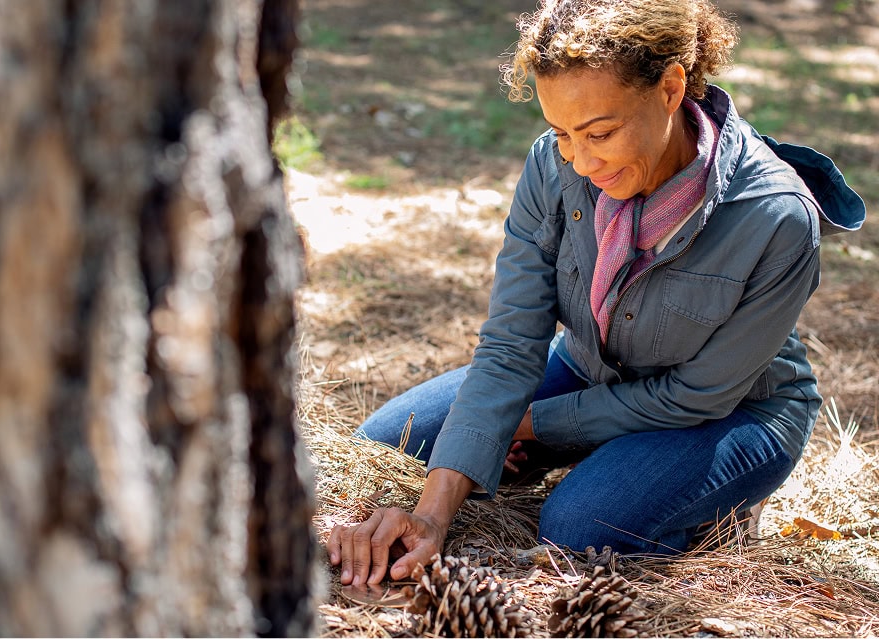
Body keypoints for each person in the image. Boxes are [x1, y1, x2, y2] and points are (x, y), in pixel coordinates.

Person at [327, 0, 866, 587]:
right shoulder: (551, 167)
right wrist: (431, 517)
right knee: (390, 444)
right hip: (595, 369)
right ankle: (613, 462)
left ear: (670, 88)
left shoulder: (776, 216)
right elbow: (511, 343)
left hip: (734, 412)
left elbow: (696, 396)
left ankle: (712, 507)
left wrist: (529, 424)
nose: (580, 161)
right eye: (562, 133)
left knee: (579, 528)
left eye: (600, 133)